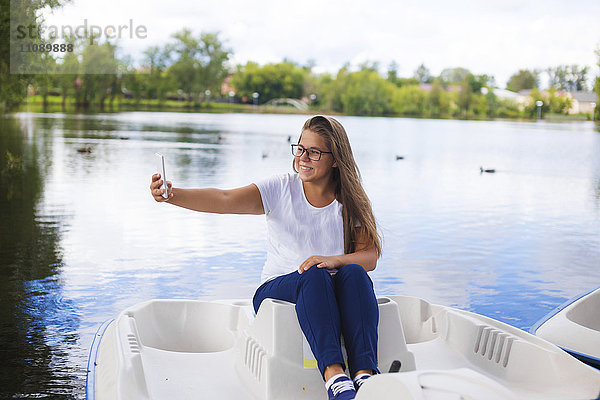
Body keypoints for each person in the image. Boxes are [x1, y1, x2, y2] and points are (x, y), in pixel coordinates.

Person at [150, 115, 382, 400]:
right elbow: (223, 199)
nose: (304, 157)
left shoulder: (351, 201)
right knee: (314, 274)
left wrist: (334, 260)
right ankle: (336, 379)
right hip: (276, 291)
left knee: (354, 273)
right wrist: (173, 195)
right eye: (300, 148)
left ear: (335, 159)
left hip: (326, 288)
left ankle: (365, 376)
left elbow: (369, 256)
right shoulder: (281, 188)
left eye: (314, 152)